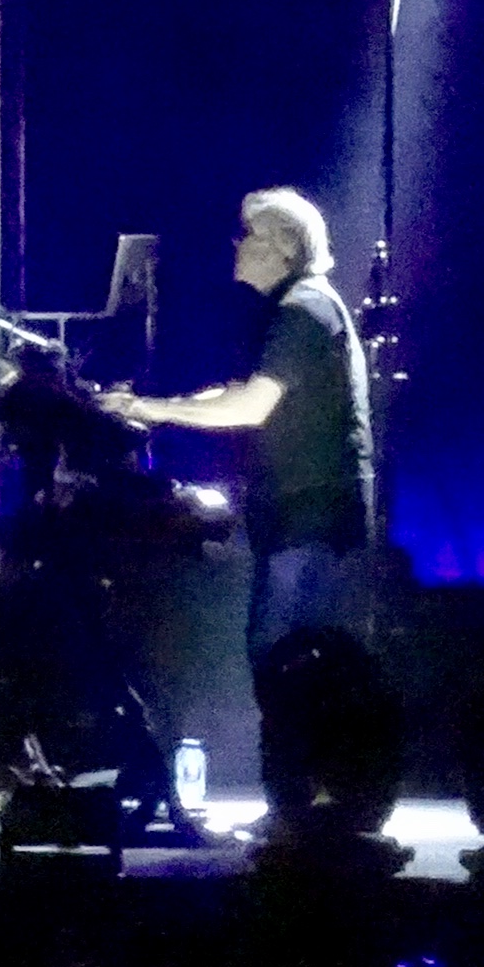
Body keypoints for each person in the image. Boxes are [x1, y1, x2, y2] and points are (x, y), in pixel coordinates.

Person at [97, 186, 376, 652]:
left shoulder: (303, 312)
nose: (237, 244)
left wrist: (148, 409)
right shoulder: (303, 304)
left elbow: (250, 407)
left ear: (284, 246)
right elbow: (243, 390)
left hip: (310, 520)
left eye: (248, 234)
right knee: (283, 653)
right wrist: (152, 402)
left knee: (281, 655)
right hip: (302, 516)